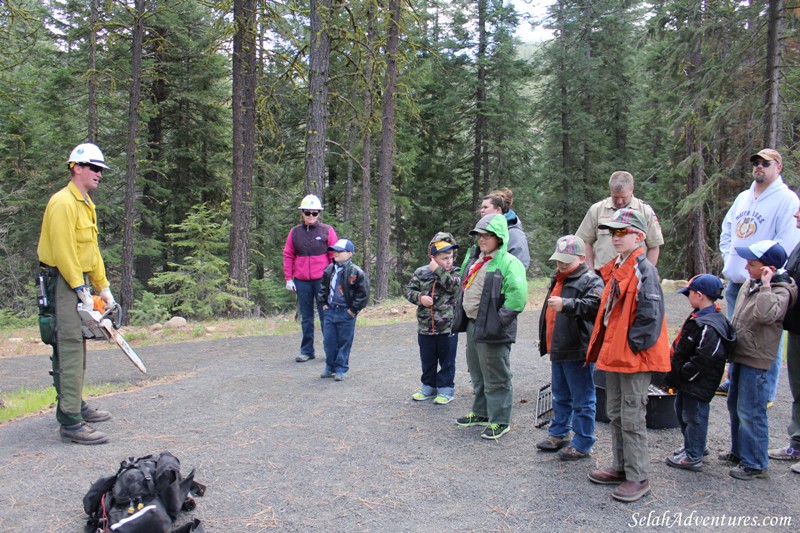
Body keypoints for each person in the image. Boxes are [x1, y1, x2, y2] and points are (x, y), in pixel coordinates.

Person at [585, 208, 670, 503]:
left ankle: (638, 476)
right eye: (612, 232)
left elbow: (651, 318)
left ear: (640, 236)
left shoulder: (645, 270)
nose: (615, 237)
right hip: (616, 356)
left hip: (633, 359)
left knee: (632, 417)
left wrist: (632, 346)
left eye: (623, 232)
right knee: (616, 414)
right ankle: (620, 468)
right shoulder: (618, 266)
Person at [37, 143, 115, 445]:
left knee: (77, 343)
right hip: (61, 281)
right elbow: (63, 250)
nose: (99, 174)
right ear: (77, 168)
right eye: (94, 168)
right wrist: (80, 288)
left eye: (101, 169)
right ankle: (70, 421)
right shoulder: (62, 203)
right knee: (67, 343)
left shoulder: (85, 203)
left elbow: (89, 250)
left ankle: (74, 402)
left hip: (75, 280)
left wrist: (102, 286)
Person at [717, 149, 800, 402]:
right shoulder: (744, 197)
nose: (759, 167)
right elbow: (728, 229)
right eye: (755, 162)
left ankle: (764, 391)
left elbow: (787, 241)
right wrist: (729, 258)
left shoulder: (788, 200)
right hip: (738, 280)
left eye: (765, 163)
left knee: (766, 338)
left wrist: (768, 274)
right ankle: (736, 380)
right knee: (739, 333)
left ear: (778, 167)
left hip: (767, 283)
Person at [723, 240, 797, 480]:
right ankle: (739, 451)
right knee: (734, 404)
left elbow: (766, 316)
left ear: (769, 269)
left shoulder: (781, 290)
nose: (746, 267)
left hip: (757, 359)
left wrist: (765, 286)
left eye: (752, 264)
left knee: (751, 411)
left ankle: (756, 463)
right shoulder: (751, 281)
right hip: (740, 353)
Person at [453, 214, 527, 440]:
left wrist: (498, 321)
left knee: (496, 375)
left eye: (487, 235)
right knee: (477, 372)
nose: (482, 239)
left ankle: (500, 420)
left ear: (500, 237)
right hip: (474, 324)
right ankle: (482, 412)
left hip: (493, 329)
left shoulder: (508, 262)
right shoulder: (475, 258)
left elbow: (518, 298)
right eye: (479, 235)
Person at [536, 235, 603, 460]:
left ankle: (583, 442)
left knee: (583, 398)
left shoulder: (589, 280)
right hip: (559, 347)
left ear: (582, 258)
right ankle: (559, 432)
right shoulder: (558, 278)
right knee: (560, 394)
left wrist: (567, 304)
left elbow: (596, 306)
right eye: (559, 260)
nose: (562, 264)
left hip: (578, 348)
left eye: (567, 260)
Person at [663, 275, 736, 472]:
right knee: (683, 411)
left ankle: (694, 454)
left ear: (700, 295)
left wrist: (685, 374)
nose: (687, 297)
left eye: (689, 294)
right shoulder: (699, 316)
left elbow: (705, 359)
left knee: (694, 416)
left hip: (696, 384)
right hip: (687, 382)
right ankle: (692, 446)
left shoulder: (711, 325)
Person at [405, 232, 461, 404]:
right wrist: (420, 298)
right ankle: (428, 386)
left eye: (450, 257)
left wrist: (438, 270)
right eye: (444, 258)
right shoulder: (421, 272)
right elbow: (409, 291)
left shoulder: (456, 272)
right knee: (428, 359)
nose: (448, 261)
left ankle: (446, 389)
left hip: (447, 327)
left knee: (447, 361)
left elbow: (454, 287)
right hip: (425, 327)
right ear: (432, 257)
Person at [283, 194, 338, 363]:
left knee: (325, 317)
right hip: (301, 281)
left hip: (322, 281)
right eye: (308, 213)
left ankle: (330, 351)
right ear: (302, 213)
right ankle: (307, 350)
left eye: (315, 213)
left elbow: (334, 255)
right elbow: (288, 255)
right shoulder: (295, 232)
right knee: (306, 318)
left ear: (319, 214)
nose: (311, 216)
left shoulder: (327, 230)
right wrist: (288, 279)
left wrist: (333, 278)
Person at [575, 171, 664, 272]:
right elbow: (585, 242)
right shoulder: (597, 210)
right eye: (615, 197)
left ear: (632, 190)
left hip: (633, 276)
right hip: (603, 276)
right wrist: (591, 273)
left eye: (623, 197)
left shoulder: (645, 211)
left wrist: (645, 273)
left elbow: (654, 246)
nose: (619, 201)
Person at [317, 239, 369, 381]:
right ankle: (329, 366)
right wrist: (323, 303)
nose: (336, 253)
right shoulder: (329, 269)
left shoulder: (356, 272)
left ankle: (340, 368)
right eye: (335, 250)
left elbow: (363, 294)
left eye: (340, 251)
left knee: (344, 341)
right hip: (330, 310)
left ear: (350, 253)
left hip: (345, 311)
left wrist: (353, 310)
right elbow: (322, 288)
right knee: (329, 340)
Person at [775, 209, 800, 468]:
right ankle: (797, 444)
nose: (795, 214)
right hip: (796, 327)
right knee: (798, 388)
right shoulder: (798, 245)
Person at [479, 187, 531, 269]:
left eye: (485, 207)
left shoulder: (514, 233)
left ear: (498, 210)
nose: (481, 210)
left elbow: (520, 267)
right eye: (481, 207)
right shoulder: (484, 233)